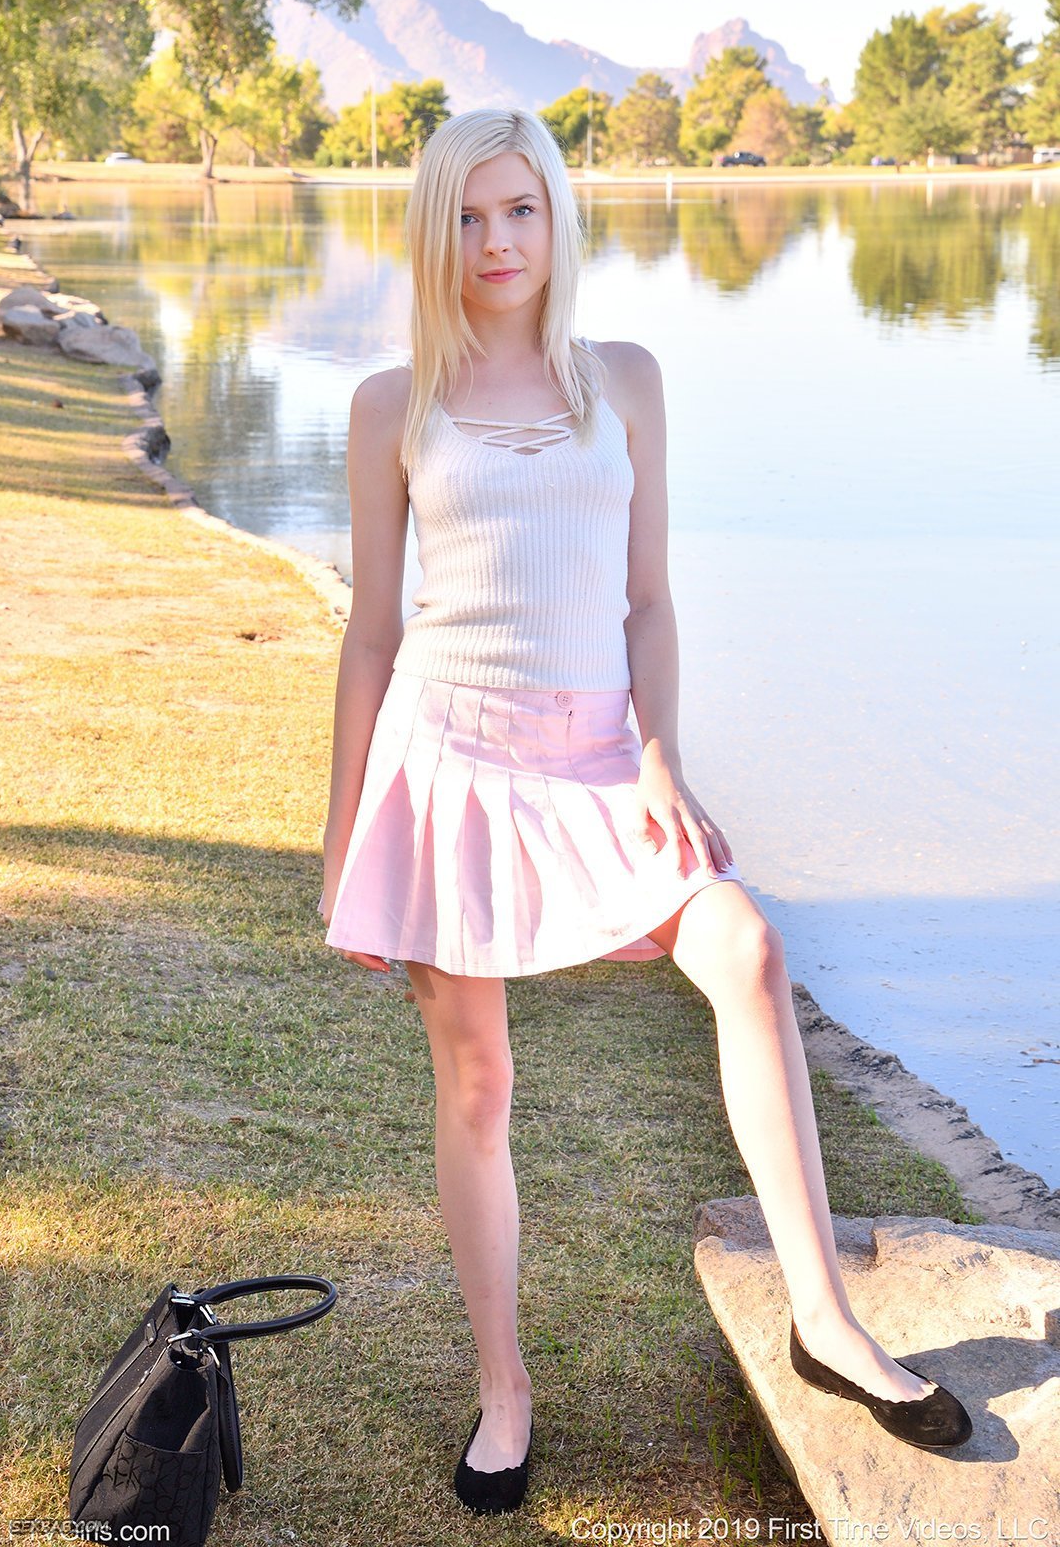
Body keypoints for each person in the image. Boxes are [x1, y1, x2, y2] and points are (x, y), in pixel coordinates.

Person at [318, 107, 972, 1516]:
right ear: (435, 230)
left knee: (748, 950)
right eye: (469, 216)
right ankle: (505, 1391)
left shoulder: (626, 380)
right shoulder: (391, 402)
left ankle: (826, 1321)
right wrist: (343, 841)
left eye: (521, 211)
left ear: (559, 217)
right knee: (476, 1085)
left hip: (604, 759)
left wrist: (663, 758)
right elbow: (371, 635)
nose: (497, 242)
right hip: (451, 760)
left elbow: (651, 601)